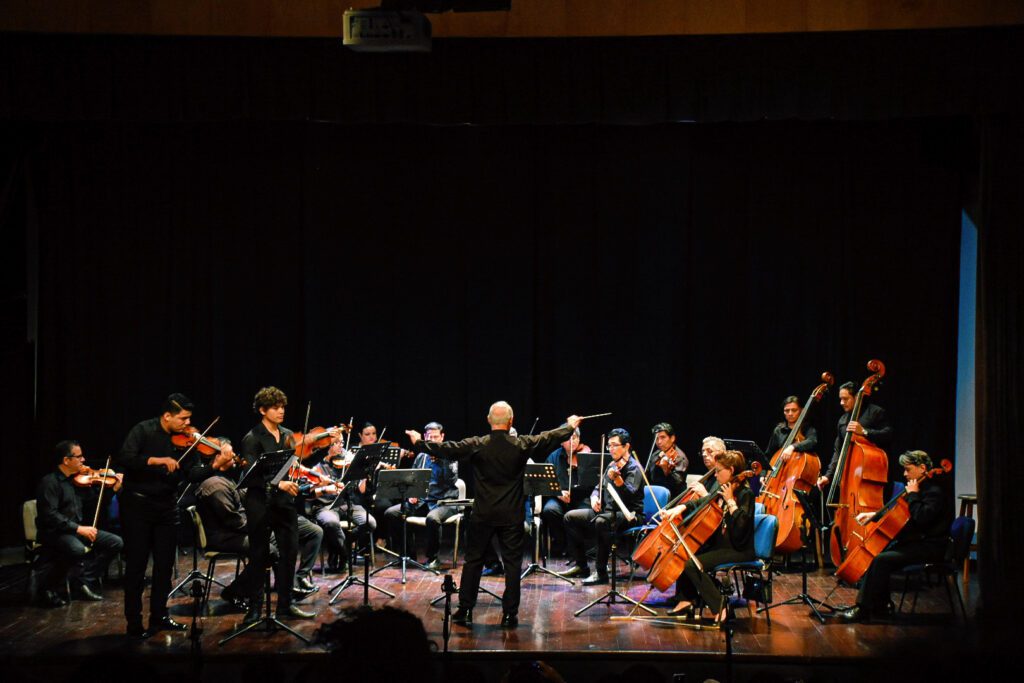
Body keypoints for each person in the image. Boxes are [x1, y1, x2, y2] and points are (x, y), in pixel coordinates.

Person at [406, 402, 580, 628]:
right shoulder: (520, 445)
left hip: (483, 514)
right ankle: (509, 615)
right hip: (511, 516)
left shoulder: (478, 445)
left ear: (489, 421)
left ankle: (466, 610)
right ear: (511, 421)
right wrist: (569, 426)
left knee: (474, 562)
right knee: (512, 565)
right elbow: (546, 438)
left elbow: (445, 448)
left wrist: (419, 441)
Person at [116, 393, 200, 638]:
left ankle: (160, 616)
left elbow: (192, 473)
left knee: (164, 566)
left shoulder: (185, 440)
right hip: (138, 507)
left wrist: (215, 466)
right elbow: (126, 457)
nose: (187, 424)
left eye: (189, 419)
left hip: (167, 506)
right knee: (137, 566)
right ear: (167, 416)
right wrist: (156, 460)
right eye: (183, 419)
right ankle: (134, 624)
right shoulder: (143, 430)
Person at [837, 450, 952, 622]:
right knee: (879, 557)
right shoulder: (919, 487)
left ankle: (863, 609)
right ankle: (881, 606)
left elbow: (921, 518)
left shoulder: (934, 491)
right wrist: (875, 516)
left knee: (881, 560)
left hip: (931, 547)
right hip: (916, 543)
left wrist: (913, 494)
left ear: (922, 468)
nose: (905, 474)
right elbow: (899, 514)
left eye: (908, 469)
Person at [238, 386, 316, 621]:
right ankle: (254, 608)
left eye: (282, 407)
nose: (281, 411)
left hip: (284, 503)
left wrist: (301, 476)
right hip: (259, 503)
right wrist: (279, 484)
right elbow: (253, 475)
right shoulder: (251, 439)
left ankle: (285, 605)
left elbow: (290, 465)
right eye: (275, 407)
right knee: (259, 554)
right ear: (263, 410)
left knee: (290, 552)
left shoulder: (287, 434)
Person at [661, 449, 756, 622]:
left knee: (692, 564)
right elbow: (700, 502)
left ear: (732, 471)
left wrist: (730, 501)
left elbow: (741, 527)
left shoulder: (745, 494)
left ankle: (719, 607)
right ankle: (686, 600)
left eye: (719, 471)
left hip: (739, 548)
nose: (716, 474)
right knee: (686, 553)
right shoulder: (722, 489)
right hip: (722, 545)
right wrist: (679, 508)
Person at [34, 440, 124, 607]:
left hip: (75, 531)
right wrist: (79, 528)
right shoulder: (49, 482)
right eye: (79, 456)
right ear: (66, 460)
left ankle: (83, 580)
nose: (83, 460)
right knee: (75, 548)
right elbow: (49, 515)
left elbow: (95, 503)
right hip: (54, 533)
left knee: (115, 542)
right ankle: (47, 588)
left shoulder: (76, 482)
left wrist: (112, 489)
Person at [562, 428, 645, 586]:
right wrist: (595, 497)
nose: (611, 449)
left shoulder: (634, 468)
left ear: (626, 447)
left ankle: (601, 572)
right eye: (609, 446)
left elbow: (630, 496)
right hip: (608, 512)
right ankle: (581, 565)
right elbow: (598, 486)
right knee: (570, 517)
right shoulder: (612, 465)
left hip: (629, 515)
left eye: (614, 445)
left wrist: (620, 483)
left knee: (601, 522)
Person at [384, 421, 460, 569]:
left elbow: (451, 479)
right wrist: (411, 494)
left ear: (442, 437)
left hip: (444, 502)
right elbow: (412, 479)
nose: (432, 440)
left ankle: (433, 558)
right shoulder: (421, 457)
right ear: (424, 437)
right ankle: (408, 555)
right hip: (423, 501)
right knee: (391, 513)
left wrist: (439, 460)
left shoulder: (449, 455)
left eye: (435, 437)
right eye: (429, 437)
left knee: (432, 518)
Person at [817, 381, 893, 489]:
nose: (841, 403)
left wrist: (864, 431)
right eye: (840, 399)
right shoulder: (842, 420)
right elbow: (839, 451)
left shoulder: (876, 412)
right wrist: (828, 476)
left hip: (872, 476)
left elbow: (888, 435)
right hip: (849, 478)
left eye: (845, 398)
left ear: (857, 397)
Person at [541, 428, 592, 558]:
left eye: (574, 438)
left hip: (581, 498)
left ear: (579, 440)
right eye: (567, 438)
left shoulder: (586, 456)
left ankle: (581, 546)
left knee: (585, 513)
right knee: (549, 510)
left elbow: (593, 483)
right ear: (561, 442)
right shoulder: (553, 457)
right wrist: (559, 493)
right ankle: (561, 542)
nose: (571, 441)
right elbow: (546, 482)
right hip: (559, 498)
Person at [765, 396, 819, 462]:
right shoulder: (778, 430)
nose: (790, 414)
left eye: (794, 410)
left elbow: (812, 441)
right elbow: (769, 455)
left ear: (801, 411)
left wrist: (792, 447)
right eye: (787, 411)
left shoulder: (807, 428)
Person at [645, 422, 688, 500]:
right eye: (657, 438)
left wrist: (666, 469)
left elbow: (678, 485)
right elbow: (648, 476)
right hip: (655, 496)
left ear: (672, 438)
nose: (659, 442)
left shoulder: (680, 457)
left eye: (663, 437)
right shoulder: (656, 454)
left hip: (673, 499)